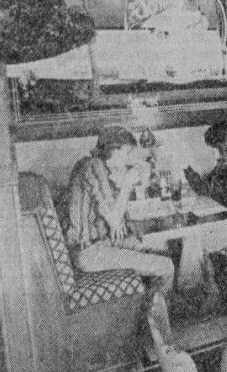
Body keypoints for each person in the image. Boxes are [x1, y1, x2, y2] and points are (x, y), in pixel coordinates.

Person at [63, 125, 174, 293]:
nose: (129, 158)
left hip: (99, 243)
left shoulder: (96, 167)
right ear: (113, 151)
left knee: (164, 251)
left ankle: (151, 304)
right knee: (166, 266)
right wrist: (128, 183)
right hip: (88, 252)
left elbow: (115, 218)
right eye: (127, 152)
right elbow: (115, 220)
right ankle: (153, 315)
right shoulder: (93, 167)